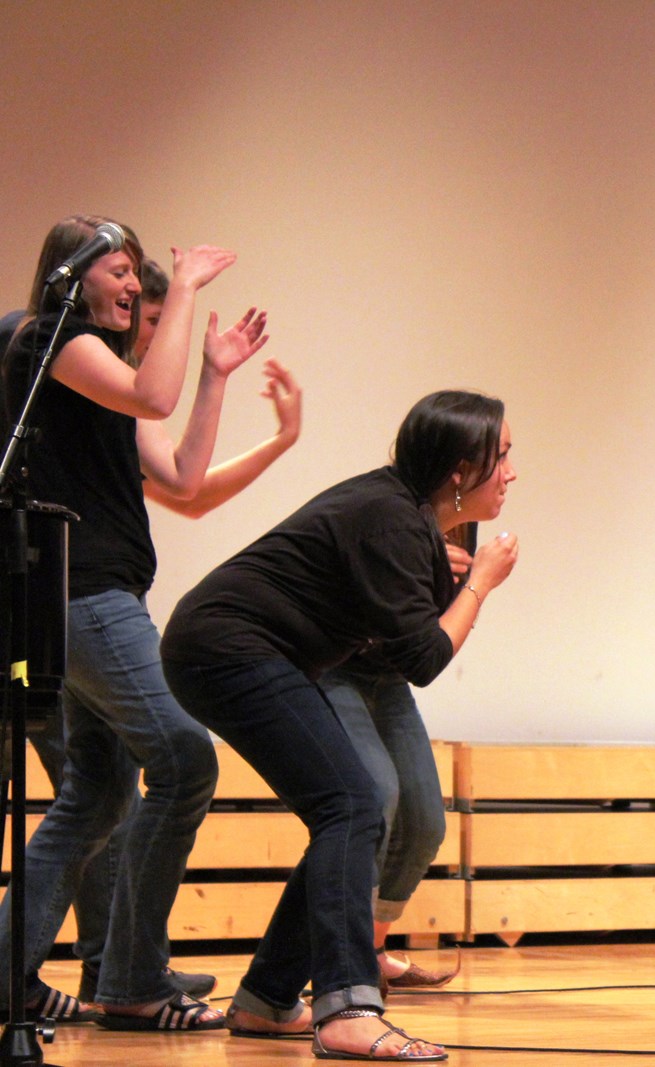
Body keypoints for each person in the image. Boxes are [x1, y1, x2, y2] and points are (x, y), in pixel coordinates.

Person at [161, 389, 518, 1060]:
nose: (511, 472)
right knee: (353, 803)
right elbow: (424, 659)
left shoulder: (406, 518)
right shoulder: (392, 519)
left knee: (350, 806)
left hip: (237, 649)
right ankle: (348, 1007)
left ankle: (267, 998)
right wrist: (481, 583)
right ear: (461, 468)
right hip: (225, 648)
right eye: (501, 457)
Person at [3, 257, 303, 1006]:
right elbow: (153, 396)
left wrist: (219, 379)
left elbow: (184, 484)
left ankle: (24, 977)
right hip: (87, 599)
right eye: (142, 304)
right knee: (185, 757)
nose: (149, 317)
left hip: (96, 601)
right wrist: (190, 288)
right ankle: (132, 976)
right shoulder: (49, 342)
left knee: (99, 793)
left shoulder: (109, 392)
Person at [318, 532, 473, 992]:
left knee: (425, 823)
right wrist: (472, 580)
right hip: (333, 664)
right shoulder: (396, 512)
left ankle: (371, 949)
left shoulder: (461, 529)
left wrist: (468, 588)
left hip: (389, 678)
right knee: (375, 797)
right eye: (500, 457)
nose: (506, 489)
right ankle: (345, 959)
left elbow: (428, 652)